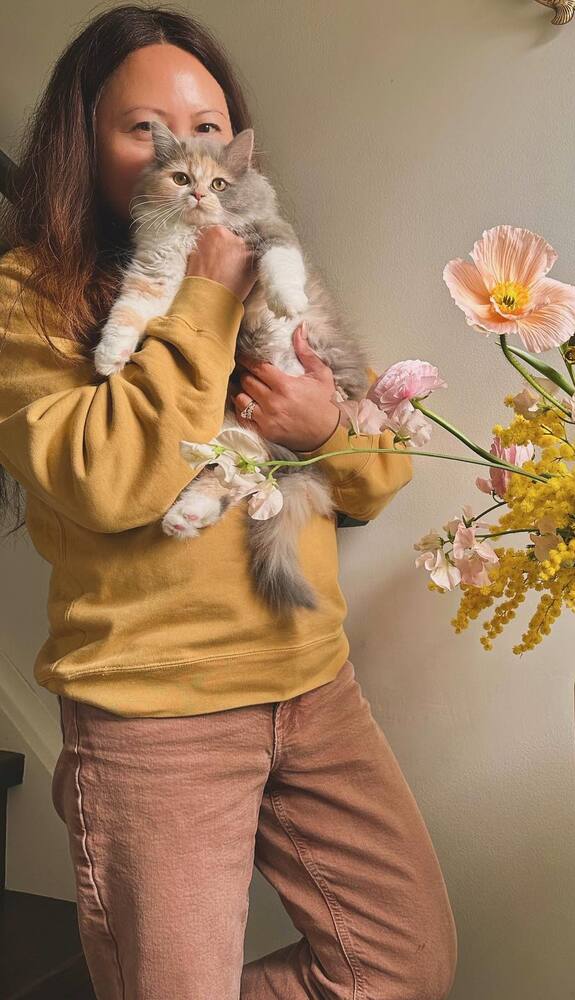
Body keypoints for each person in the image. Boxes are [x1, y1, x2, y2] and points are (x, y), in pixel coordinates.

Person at [0, 6, 458, 998]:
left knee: (401, 963)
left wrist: (320, 428)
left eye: (207, 128)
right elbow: (108, 478)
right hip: (151, 716)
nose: (182, 150)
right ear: (81, 145)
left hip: (312, 685)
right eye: (143, 127)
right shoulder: (30, 295)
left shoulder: (270, 263)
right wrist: (202, 298)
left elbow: (378, 471)